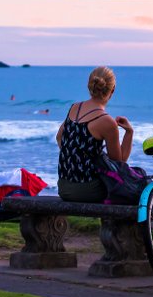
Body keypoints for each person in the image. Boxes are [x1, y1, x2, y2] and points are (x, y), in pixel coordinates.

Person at [55, 66, 134, 202]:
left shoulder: (75, 108)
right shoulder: (106, 121)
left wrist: (77, 156)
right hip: (90, 191)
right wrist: (129, 132)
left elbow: (59, 137)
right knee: (130, 189)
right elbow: (119, 164)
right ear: (113, 90)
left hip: (64, 188)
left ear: (89, 86)